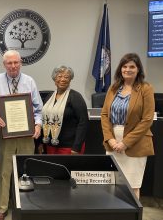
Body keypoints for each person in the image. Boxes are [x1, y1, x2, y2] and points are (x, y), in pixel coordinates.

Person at [0, 50, 43, 220]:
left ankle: (26, 205)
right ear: (4, 65)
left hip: (26, 135)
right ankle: (2, 208)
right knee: (4, 172)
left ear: (21, 63)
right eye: (9, 63)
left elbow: (38, 108)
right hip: (5, 135)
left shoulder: (29, 81)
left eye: (16, 62)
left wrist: (38, 124)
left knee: (26, 170)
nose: (13, 66)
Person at [101, 53, 155, 199]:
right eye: (125, 66)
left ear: (138, 69)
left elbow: (147, 119)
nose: (128, 69)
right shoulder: (113, 88)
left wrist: (125, 142)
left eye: (132, 66)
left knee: (132, 186)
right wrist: (110, 139)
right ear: (120, 69)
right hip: (113, 142)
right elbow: (105, 115)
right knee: (113, 183)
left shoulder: (145, 88)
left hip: (135, 142)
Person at [38, 65, 88, 154]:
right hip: (50, 145)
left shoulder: (76, 97)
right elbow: (44, 120)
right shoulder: (49, 97)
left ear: (70, 79)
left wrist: (76, 147)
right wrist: (41, 142)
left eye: (66, 77)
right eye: (59, 76)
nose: (63, 79)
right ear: (54, 79)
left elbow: (83, 122)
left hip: (69, 147)